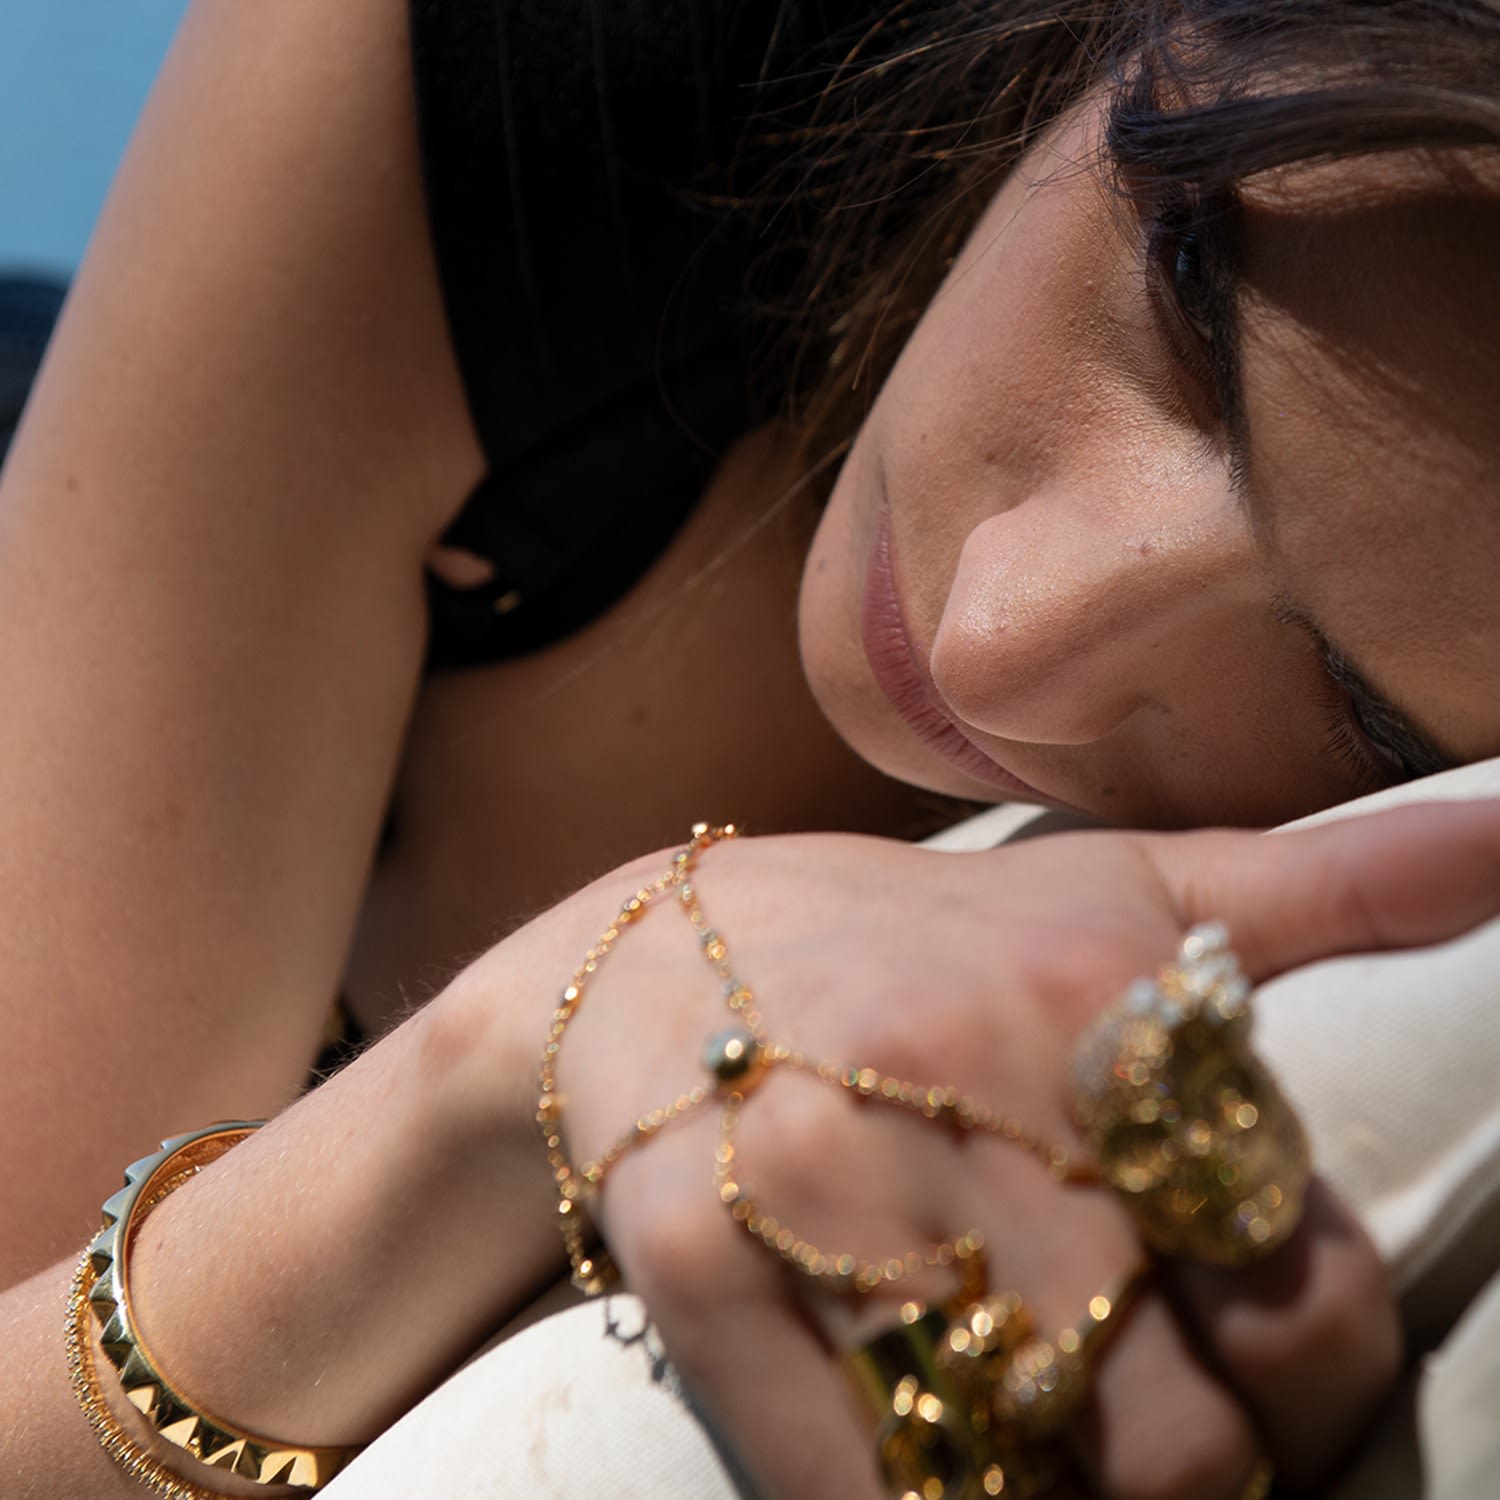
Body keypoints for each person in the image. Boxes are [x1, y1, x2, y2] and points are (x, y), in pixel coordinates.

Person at [0, 0, 1496, 1496]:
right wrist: (507, 1051)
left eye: (1357, 710)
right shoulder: (517, 74)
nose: (992, 641)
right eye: (1188, 291)